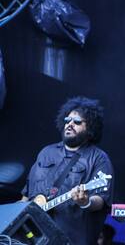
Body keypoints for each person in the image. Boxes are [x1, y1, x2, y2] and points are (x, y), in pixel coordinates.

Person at [21, 96, 114, 245]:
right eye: (67, 120)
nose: (70, 124)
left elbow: (101, 199)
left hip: (70, 238)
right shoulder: (46, 152)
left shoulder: (99, 158)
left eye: (77, 122)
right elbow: (26, 194)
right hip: (33, 235)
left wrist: (85, 202)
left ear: (90, 128)